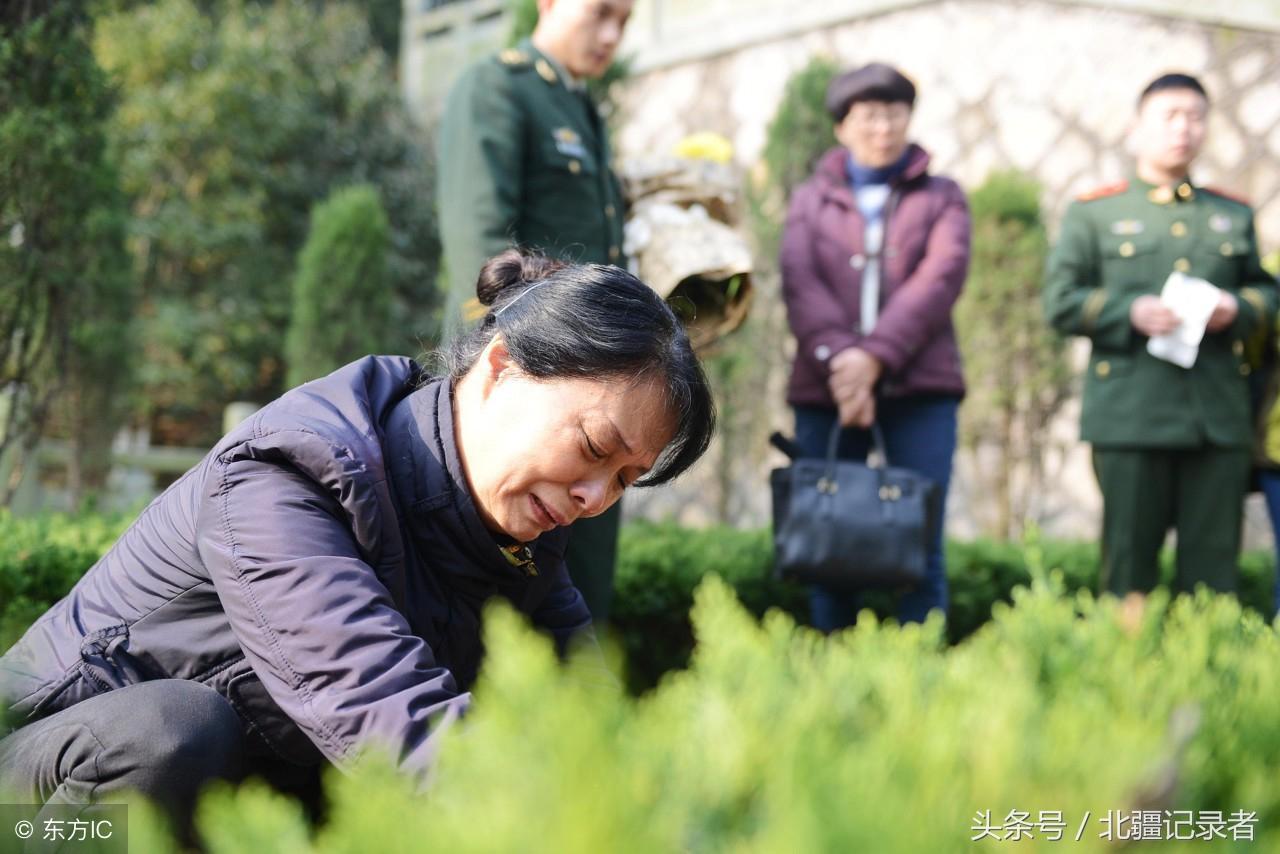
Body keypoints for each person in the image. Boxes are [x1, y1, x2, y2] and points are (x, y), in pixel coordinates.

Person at [0, 250, 715, 834]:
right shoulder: (291, 472)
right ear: (501, 369)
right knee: (173, 734)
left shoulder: (518, 553)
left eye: (625, 479)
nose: (596, 498)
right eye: (594, 445)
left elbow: (588, 736)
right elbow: (393, 727)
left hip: (225, 816)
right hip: (36, 804)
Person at [437, 0, 634, 625]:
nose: (611, 35)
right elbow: (481, 243)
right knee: (499, 585)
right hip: (529, 374)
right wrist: (519, 362)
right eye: (601, 12)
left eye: (625, 21)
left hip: (596, 381)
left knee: (581, 566)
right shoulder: (497, 86)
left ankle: (581, 713)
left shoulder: (581, 109)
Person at [1044, 72, 1277, 598]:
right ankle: (1128, 677)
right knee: (1128, 567)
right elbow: (1059, 302)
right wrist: (1128, 311)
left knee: (1214, 572)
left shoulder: (1230, 213)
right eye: (1169, 116)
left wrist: (1234, 307)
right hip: (1131, 415)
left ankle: (1204, 673)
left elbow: (1268, 296)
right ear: (1136, 127)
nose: (1183, 129)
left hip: (1214, 417)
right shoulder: (1096, 212)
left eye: (1195, 117)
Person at [780, 63, 971, 629]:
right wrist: (842, 360)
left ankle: (919, 678)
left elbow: (940, 278)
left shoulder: (943, 196)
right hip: (824, 390)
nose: (883, 127)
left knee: (922, 540)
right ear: (842, 126)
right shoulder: (809, 200)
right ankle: (830, 670)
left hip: (921, 389)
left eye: (893, 114)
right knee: (826, 536)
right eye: (867, 116)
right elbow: (799, 280)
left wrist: (874, 357)